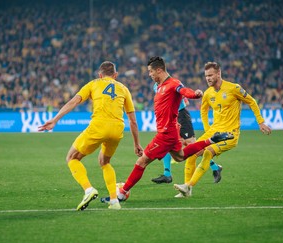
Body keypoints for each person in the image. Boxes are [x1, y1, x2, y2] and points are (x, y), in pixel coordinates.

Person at [100, 57, 234, 203]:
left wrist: (195, 94)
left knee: (141, 162)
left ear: (159, 70)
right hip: (171, 131)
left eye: (151, 71)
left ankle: (121, 194)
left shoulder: (173, 83)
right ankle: (212, 140)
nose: (150, 75)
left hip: (165, 134)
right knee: (180, 156)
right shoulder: (159, 86)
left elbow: (184, 91)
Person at [38, 61, 143, 210]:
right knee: (105, 162)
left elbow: (74, 101)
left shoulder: (94, 83)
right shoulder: (124, 89)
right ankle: (114, 201)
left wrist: (55, 119)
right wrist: (136, 144)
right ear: (116, 75)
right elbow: (133, 121)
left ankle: (88, 189)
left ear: (100, 75)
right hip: (117, 129)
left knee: (72, 157)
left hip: (99, 126)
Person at [174, 61, 272, 197]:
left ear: (218, 73)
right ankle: (186, 190)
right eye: (206, 76)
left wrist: (260, 122)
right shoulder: (208, 93)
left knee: (207, 152)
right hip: (214, 131)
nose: (208, 78)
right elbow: (203, 111)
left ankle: (188, 186)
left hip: (230, 134)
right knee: (191, 154)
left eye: (210, 75)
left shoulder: (234, 88)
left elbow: (252, 101)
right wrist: (208, 129)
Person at [151, 97, 223, 184]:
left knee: (192, 146)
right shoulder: (157, 87)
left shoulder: (174, 83)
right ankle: (167, 174)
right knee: (167, 142)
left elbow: (186, 102)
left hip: (181, 116)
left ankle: (215, 167)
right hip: (169, 117)